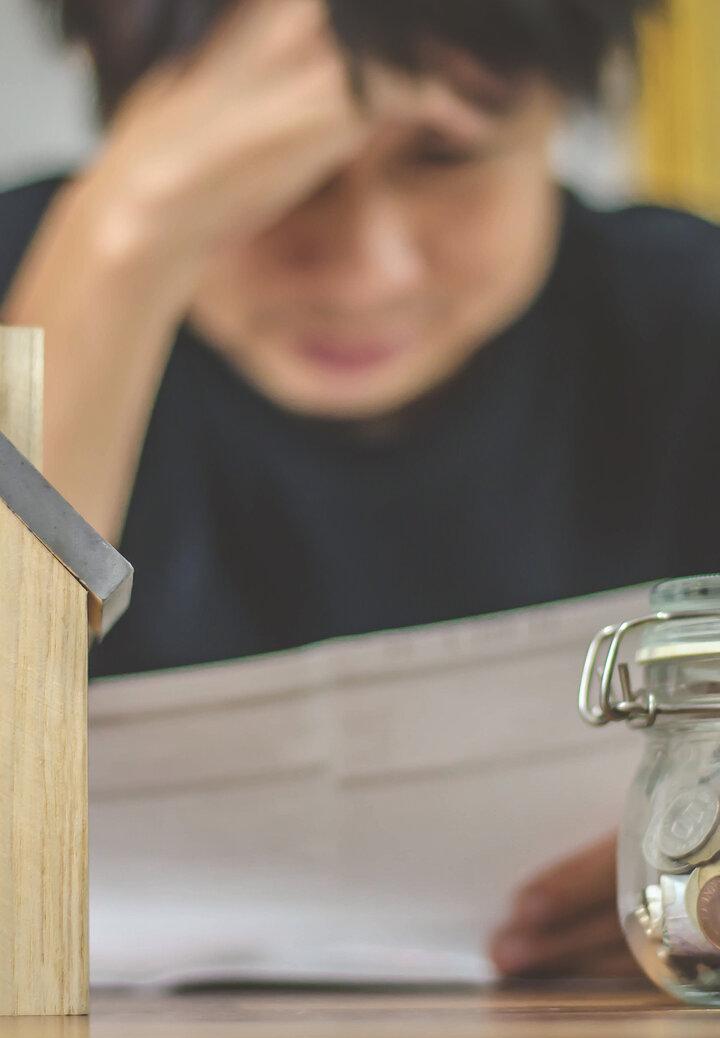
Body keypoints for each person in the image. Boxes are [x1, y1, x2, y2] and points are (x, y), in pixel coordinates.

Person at [1, 0, 716, 979]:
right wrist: (125, 235)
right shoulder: (32, 292)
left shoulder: (686, 325)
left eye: (444, 158)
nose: (365, 273)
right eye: (268, 173)